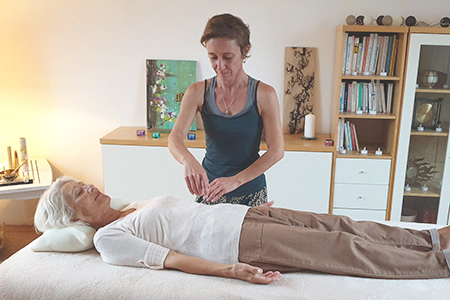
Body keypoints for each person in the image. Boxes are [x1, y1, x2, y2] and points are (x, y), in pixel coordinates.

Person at [34, 176, 450, 284]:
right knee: (339, 246)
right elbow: (172, 259)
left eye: (83, 184)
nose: (89, 188)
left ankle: (432, 237)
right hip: (237, 243)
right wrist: (232, 271)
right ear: (74, 219)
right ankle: (438, 262)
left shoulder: (129, 206)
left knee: (337, 222)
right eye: (78, 194)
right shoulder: (107, 240)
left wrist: (246, 207)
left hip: (243, 216)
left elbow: (189, 214)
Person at [168, 13, 284, 206]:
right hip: (211, 192)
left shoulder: (265, 94)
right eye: (213, 57)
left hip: (251, 193)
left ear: (245, 51)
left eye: (227, 57)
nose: (219, 66)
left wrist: (235, 181)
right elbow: (174, 138)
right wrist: (188, 160)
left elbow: (277, 151)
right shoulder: (197, 92)